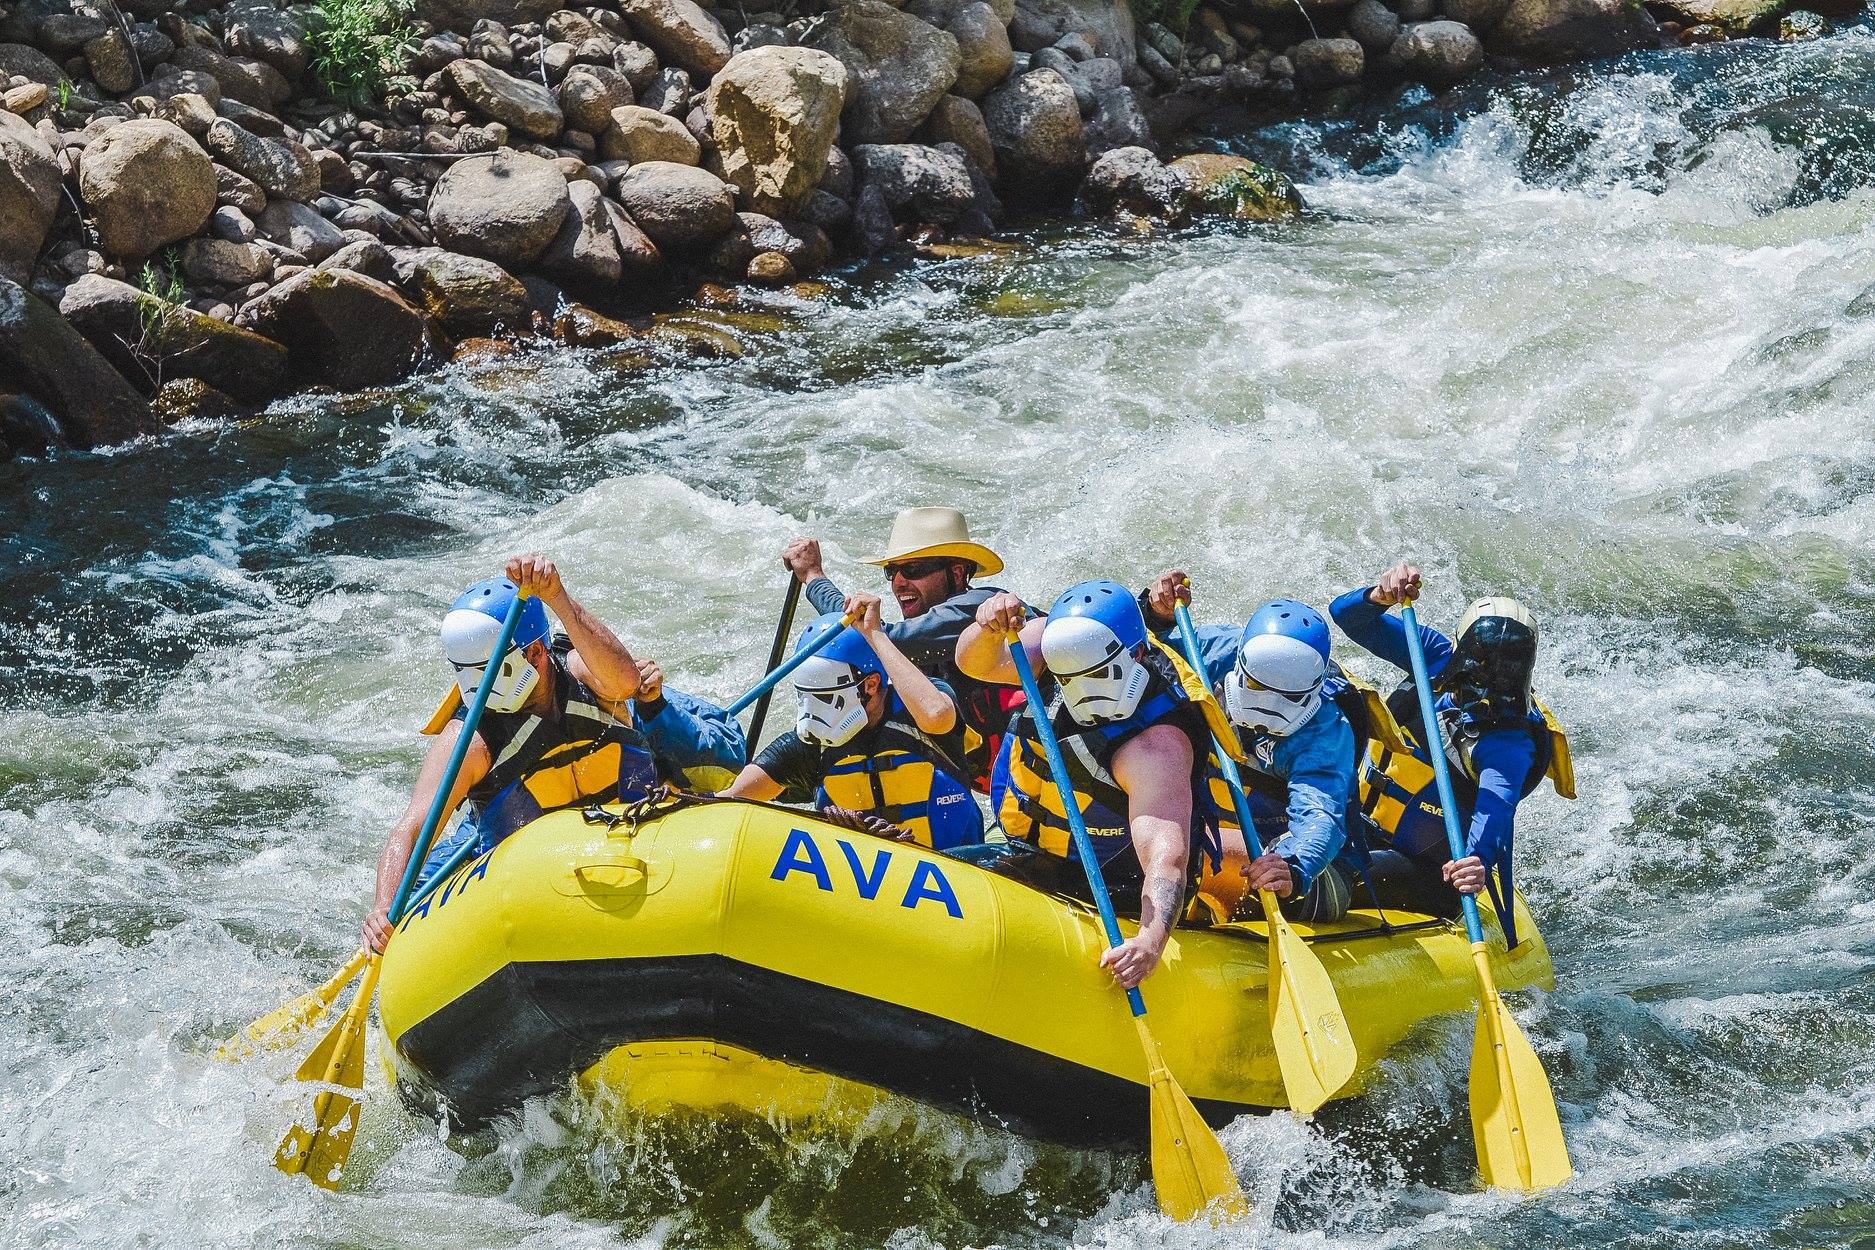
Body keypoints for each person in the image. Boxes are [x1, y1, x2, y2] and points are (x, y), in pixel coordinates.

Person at [362, 555, 746, 953]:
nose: (482, 687)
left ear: (535, 654)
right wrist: (383, 907)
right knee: (421, 890)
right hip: (530, 870)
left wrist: (556, 597)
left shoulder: (583, 673)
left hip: (637, 828)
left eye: (492, 670)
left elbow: (625, 680)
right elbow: (413, 827)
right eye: (471, 673)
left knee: (702, 752)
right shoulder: (471, 742)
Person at [955, 579, 1227, 990]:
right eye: (1070, 678)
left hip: (1113, 886)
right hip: (1028, 852)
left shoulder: (1156, 748)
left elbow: (1165, 858)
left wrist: (1150, 943)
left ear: (1135, 654)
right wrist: (986, 628)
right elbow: (973, 663)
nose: (1082, 692)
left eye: (1098, 675)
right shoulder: (1049, 649)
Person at [1329, 561, 1575, 935]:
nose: (1487, 685)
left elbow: (1496, 807)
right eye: (1478, 669)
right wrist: (1379, 597)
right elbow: (1347, 617)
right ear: (1460, 650)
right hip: (1357, 826)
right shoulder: (1434, 655)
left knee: (1324, 873)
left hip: (1427, 872)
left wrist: (1477, 860)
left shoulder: (1507, 744)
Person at [1139, 574, 1359, 925]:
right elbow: (1145, 648)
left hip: (1300, 869)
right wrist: (1154, 612)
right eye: (1256, 685)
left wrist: (1294, 865)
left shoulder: (1327, 732)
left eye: (1287, 697)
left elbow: (1320, 814)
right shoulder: (1215, 650)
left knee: (1179, 841)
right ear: (1241, 662)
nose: (1267, 706)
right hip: (1220, 828)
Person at [781, 507, 1030, 789]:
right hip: (1004, 786)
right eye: (893, 571)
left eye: (913, 569)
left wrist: (814, 578)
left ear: (957, 573)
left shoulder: (978, 610)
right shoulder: (920, 641)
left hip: (1042, 780)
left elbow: (875, 637)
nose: (899, 582)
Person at [722, 593, 983, 850]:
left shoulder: (919, 706)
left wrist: (874, 633)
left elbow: (938, 716)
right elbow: (730, 800)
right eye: (807, 696)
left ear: (870, 684)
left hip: (956, 866)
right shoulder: (812, 743)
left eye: (825, 698)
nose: (814, 713)